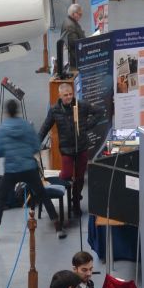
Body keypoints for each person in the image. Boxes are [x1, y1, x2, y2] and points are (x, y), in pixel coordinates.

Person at [0, 98, 64, 241]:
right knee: (43, 195)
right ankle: (58, 228)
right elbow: (36, 147)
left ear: (7, 113)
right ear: (17, 111)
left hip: (11, 171)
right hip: (29, 168)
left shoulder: (1, 129)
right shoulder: (27, 126)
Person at [38, 83, 105, 214]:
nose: (69, 97)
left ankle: (76, 200)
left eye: (70, 94)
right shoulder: (54, 110)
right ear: (60, 96)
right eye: (65, 95)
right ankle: (61, 188)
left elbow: (100, 111)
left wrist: (87, 125)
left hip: (81, 147)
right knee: (67, 175)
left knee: (80, 177)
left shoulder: (82, 105)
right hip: (66, 149)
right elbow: (45, 127)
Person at [60, 3, 85, 72]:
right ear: (74, 14)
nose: (81, 16)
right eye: (80, 14)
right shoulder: (70, 25)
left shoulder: (69, 20)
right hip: (74, 61)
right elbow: (75, 43)